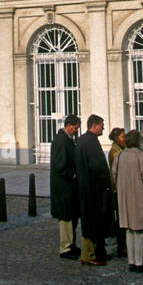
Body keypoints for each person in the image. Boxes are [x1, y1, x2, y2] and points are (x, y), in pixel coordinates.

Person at [115, 128, 143, 272]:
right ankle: (138, 262)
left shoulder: (120, 156)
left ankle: (131, 261)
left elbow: (113, 174)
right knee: (139, 231)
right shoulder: (141, 157)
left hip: (124, 198)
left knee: (129, 230)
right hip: (139, 197)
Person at [76, 114, 111, 266]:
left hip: (85, 187)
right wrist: (106, 183)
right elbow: (97, 167)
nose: (103, 128)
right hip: (94, 189)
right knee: (93, 222)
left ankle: (91, 252)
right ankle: (90, 255)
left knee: (89, 222)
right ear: (95, 125)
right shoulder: (91, 142)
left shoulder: (82, 140)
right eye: (102, 125)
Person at [49, 114, 82, 259]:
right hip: (63, 187)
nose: (76, 131)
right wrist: (73, 174)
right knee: (66, 218)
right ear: (69, 126)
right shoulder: (61, 141)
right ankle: (65, 248)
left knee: (71, 217)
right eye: (75, 128)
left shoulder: (66, 139)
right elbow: (60, 165)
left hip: (68, 187)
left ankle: (71, 244)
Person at [107, 127, 128, 258]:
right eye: (122, 137)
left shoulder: (122, 150)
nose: (124, 139)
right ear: (116, 138)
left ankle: (125, 244)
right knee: (121, 220)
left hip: (123, 188)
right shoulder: (115, 152)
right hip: (118, 189)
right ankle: (122, 246)